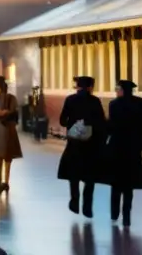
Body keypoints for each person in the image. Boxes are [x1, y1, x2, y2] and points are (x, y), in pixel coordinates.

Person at [104, 80, 142, 227]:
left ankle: (114, 213)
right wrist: (138, 133)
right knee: (129, 183)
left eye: (117, 89)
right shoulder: (141, 103)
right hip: (133, 147)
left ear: (122, 90)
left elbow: (111, 126)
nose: (116, 91)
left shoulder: (114, 104)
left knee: (116, 181)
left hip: (117, 147)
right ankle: (127, 215)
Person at [58, 75, 106, 218]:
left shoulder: (70, 100)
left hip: (74, 144)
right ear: (90, 87)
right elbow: (101, 122)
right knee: (90, 176)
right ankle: (87, 207)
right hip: (90, 144)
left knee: (74, 174)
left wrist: (73, 125)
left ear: (77, 86)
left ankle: (74, 201)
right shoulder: (95, 101)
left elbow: (62, 120)